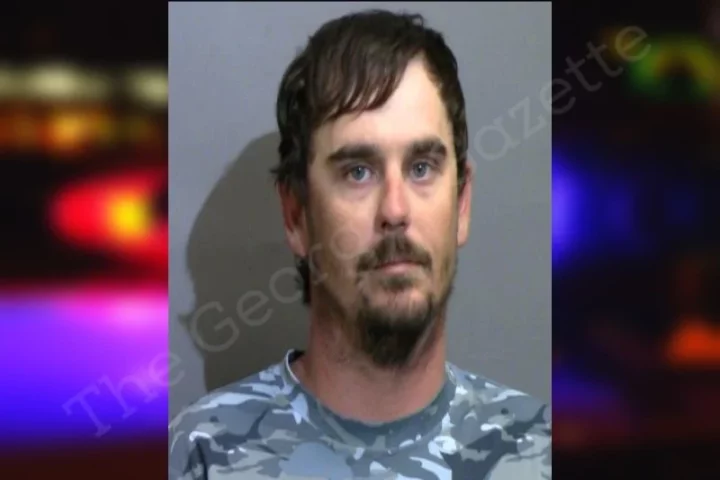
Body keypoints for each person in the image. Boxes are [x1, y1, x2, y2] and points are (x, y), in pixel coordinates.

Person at [169, 9, 550, 479]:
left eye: (422, 168)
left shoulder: (539, 456)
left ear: (462, 203)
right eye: (358, 172)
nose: (395, 210)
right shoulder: (200, 457)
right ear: (296, 215)